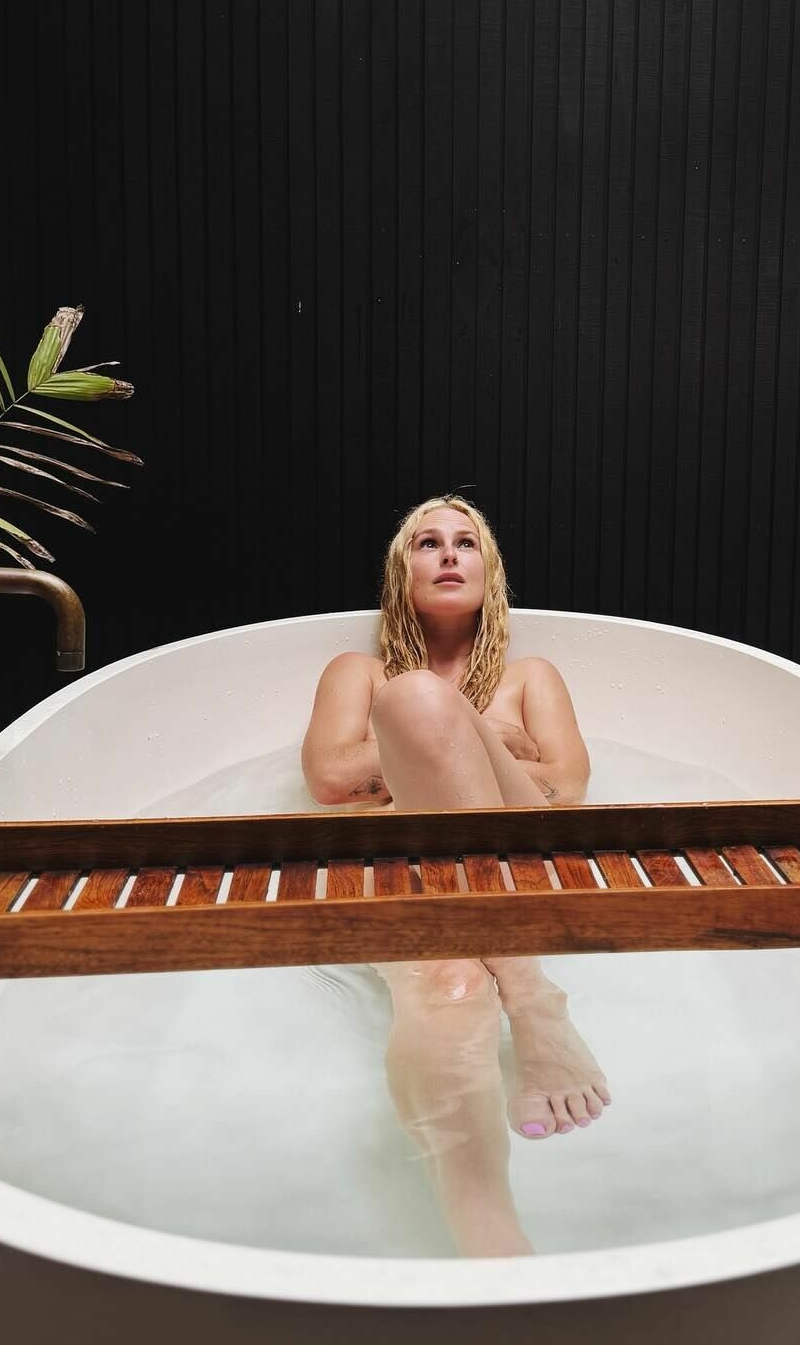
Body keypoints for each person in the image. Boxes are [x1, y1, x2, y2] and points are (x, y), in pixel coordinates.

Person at [300, 494, 613, 1258]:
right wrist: (456, 733)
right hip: (397, 870)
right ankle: (493, 1247)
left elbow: (566, 790)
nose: (447, 553)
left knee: (414, 701)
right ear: (400, 573)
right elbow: (329, 780)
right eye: (427, 543)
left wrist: (437, 735)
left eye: (465, 542)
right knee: (453, 984)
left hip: (514, 862)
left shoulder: (530, 678)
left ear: (489, 570)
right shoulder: (357, 672)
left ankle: (530, 998)